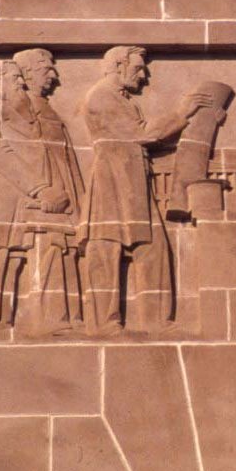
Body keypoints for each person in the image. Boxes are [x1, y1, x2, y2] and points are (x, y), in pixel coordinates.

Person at [79, 46, 212, 336]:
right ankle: (104, 323)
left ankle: (156, 320)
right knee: (106, 244)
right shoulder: (102, 96)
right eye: (138, 69)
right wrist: (182, 113)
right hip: (113, 179)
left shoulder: (120, 98)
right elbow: (144, 133)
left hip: (131, 178)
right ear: (117, 66)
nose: (143, 77)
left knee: (152, 247)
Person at [11, 48, 86, 335]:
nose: (54, 76)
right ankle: (52, 319)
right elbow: (21, 152)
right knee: (50, 248)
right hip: (46, 195)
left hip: (65, 190)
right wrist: (43, 190)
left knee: (64, 250)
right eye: (47, 70)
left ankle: (69, 316)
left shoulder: (42, 106)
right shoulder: (22, 106)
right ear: (27, 73)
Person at [0, 59, 47, 335]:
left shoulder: (10, 108)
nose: (21, 82)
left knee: (13, 254)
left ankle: (0, 318)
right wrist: (37, 186)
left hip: (16, 191)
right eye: (15, 76)